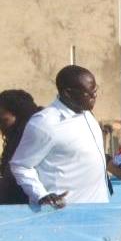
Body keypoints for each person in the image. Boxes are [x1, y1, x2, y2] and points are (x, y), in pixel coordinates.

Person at [9, 65, 110, 207]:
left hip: (98, 211)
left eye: (95, 90)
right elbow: (21, 165)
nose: (95, 96)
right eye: (89, 93)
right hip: (64, 215)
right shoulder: (45, 123)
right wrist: (41, 195)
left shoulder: (87, 114)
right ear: (68, 93)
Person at [0, 89, 40, 205]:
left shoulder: (29, 137)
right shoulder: (15, 137)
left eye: (3, 121)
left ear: (20, 116)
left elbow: (12, 179)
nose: (1, 127)